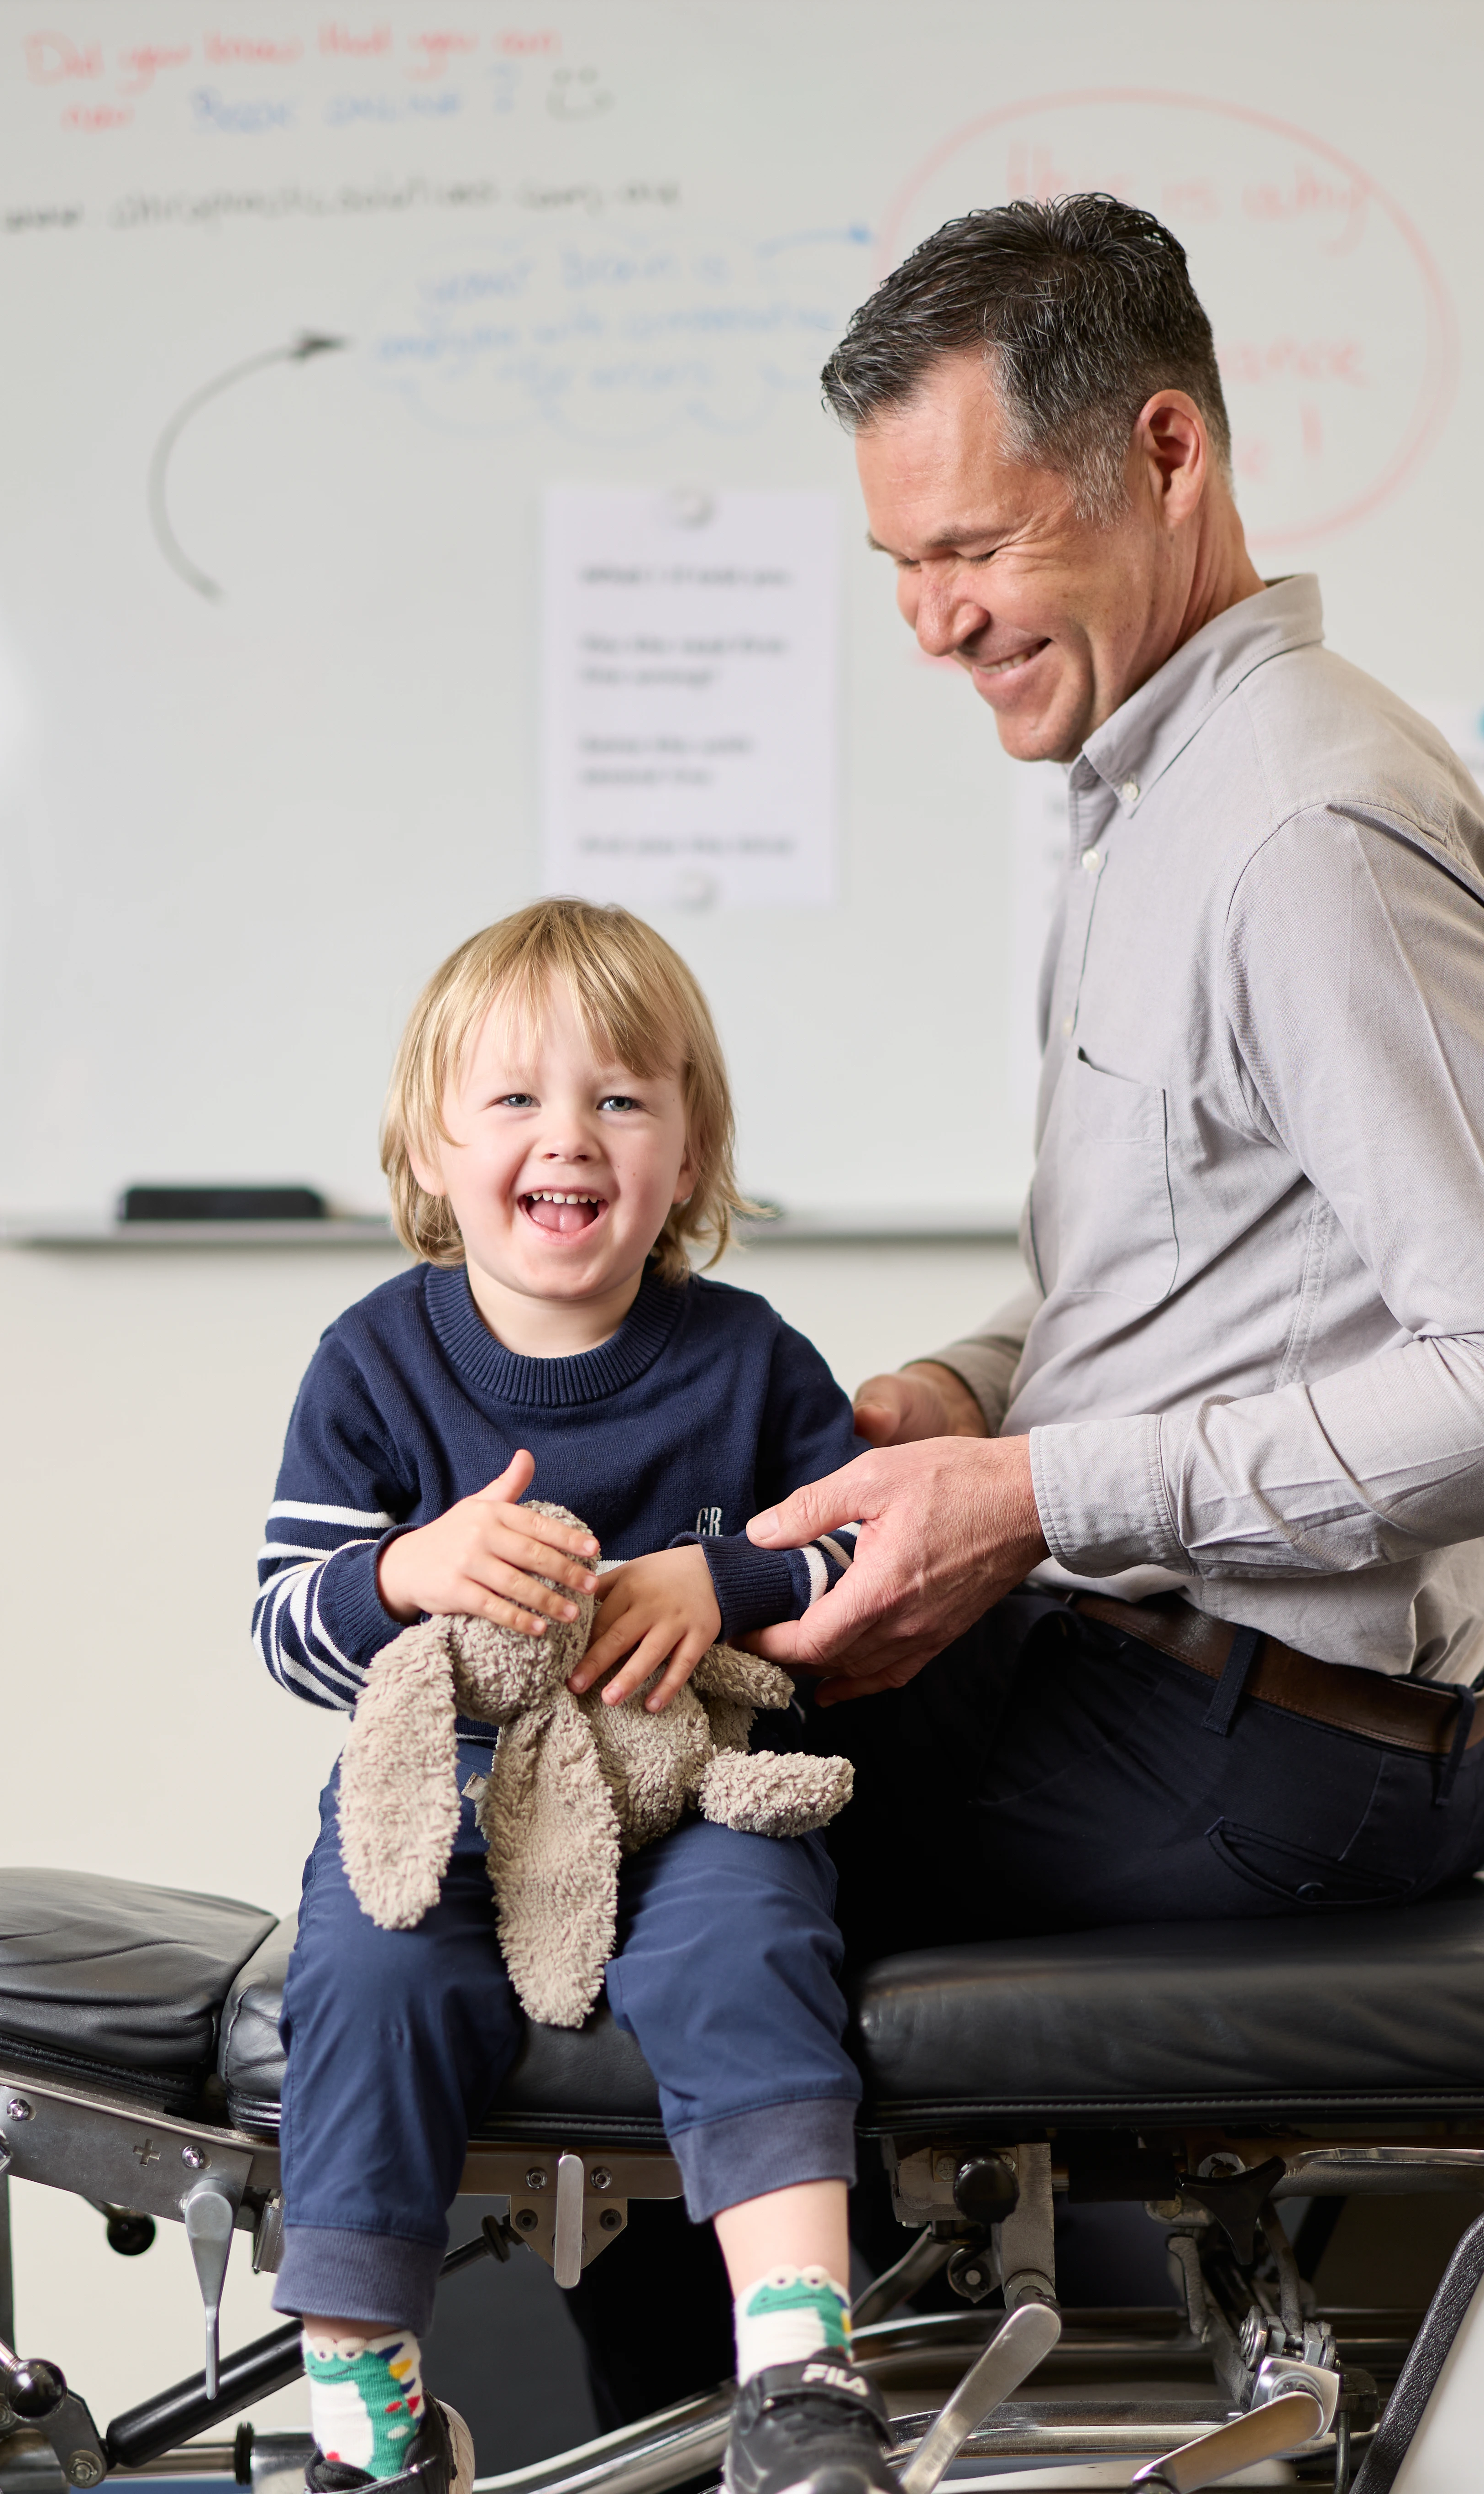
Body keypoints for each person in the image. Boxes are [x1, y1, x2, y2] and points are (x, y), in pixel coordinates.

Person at [739, 193, 1484, 1956]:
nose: (933, 623)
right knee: (588, 1773)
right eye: (900, 570)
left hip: (1261, 1754)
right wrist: (970, 1392)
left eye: (975, 547)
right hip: (1181, 1695)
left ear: (1165, 454)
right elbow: (1221, 1277)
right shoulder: (1159, 798)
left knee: (636, 1913)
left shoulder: (1307, 829)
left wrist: (1030, 1495)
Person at [251, 899, 898, 2494]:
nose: (573, 1136)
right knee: (366, 1976)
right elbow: (283, 1625)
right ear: (429, 1145)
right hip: (450, 1808)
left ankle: (800, 2369)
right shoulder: (372, 1363)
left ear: (688, 1151)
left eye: (621, 1099)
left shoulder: (750, 1361)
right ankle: (369, 2423)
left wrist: (728, 1581)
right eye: (518, 1100)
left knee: (752, 1933)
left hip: (687, 1795)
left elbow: (863, 1562)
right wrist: (410, 1572)